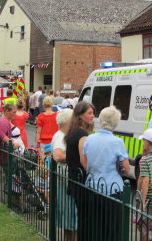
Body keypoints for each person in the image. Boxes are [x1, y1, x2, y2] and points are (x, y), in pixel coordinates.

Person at [83, 106, 129, 241]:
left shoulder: (89, 139)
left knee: (96, 228)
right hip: (112, 189)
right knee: (113, 230)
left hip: (92, 187)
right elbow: (126, 170)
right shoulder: (117, 142)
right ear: (116, 122)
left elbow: (86, 165)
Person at [65, 101, 95, 241]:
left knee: (83, 216)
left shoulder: (72, 131)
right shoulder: (82, 134)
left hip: (74, 178)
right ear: (80, 115)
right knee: (86, 218)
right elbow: (85, 162)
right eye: (89, 113)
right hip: (80, 181)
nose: (92, 116)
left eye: (93, 113)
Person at [52, 109, 77, 240]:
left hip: (65, 180)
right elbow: (58, 155)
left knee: (70, 218)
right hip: (64, 181)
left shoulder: (62, 135)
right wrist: (76, 158)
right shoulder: (61, 136)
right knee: (69, 217)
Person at [0, 103, 17, 174]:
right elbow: (0, 134)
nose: (15, 114)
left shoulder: (4, 121)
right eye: (14, 112)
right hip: (4, 155)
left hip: (5, 153)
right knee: (9, 176)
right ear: (7, 111)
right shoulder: (3, 122)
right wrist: (12, 143)